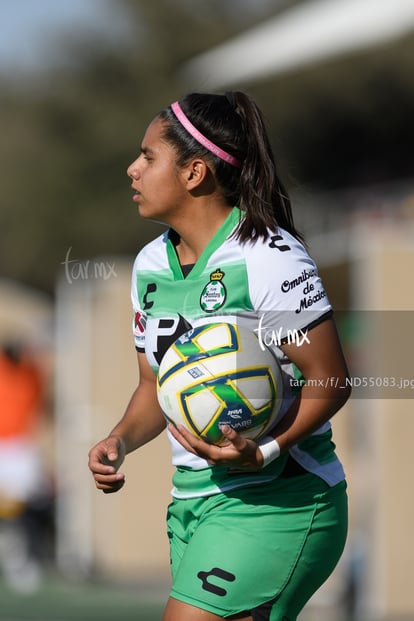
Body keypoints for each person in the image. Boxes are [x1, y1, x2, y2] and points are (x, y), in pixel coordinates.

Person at [88, 91, 351, 621]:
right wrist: (119, 439)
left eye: (148, 156)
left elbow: (331, 379)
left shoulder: (266, 257)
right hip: (191, 505)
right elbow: (151, 387)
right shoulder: (149, 265)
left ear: (195, 173)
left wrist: (266, 450)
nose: (132, 169)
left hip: (279, 501)